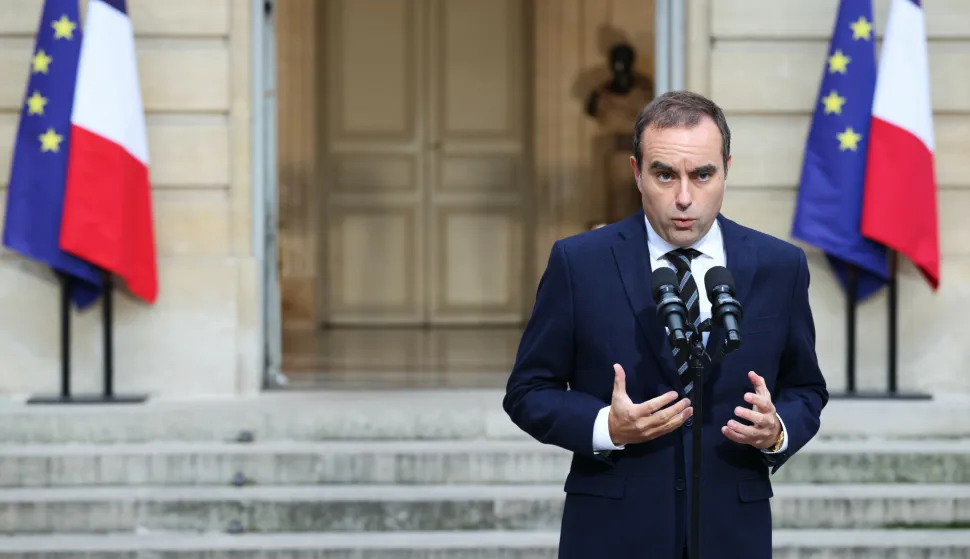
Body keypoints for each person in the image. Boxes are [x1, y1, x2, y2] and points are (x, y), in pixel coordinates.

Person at [502, 90, 828, 559]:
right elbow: (528, 391)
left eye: (702, 175)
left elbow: (806, 389)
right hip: (611, 532)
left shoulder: (781, 265)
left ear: (727, 170)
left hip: (733, 533)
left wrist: (777, 430)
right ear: (636, 172)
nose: (683, 197)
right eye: (664, 174)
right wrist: (606, 427)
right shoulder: (579, 263)